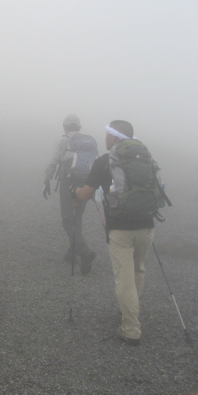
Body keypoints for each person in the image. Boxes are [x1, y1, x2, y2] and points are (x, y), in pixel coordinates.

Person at [72, 120, 155, 346]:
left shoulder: (104, 161)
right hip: (147, 225)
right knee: (139, 270)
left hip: (120, 229)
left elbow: (85, 194)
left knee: (124, 279)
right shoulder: (145, 157)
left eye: (108, 135)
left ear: (116, 137)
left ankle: (130, 328)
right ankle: (130, 311)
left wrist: (74, 190)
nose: (105, 139)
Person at [43, 114, 96, 273]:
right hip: (86, 184)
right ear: (78, 127)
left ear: (65, 127)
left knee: (67, 220)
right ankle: (71, 254)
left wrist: (47, 179)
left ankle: (84, 252)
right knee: (77, 218)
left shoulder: (62, 140)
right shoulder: (88, 142)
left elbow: (54, 161)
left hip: (68, 182)